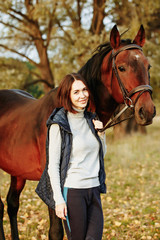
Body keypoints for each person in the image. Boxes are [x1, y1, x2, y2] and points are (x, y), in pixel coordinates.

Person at [36, 73, 106, 240]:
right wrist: (59, 200)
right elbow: (52, 165)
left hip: (94, 190)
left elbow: (100, 155)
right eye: (76, 92)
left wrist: (101, 135)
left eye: (84, 90)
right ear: (67, 95)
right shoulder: (59, 123)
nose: (82, 95)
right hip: (73, 192)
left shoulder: (92, 119)